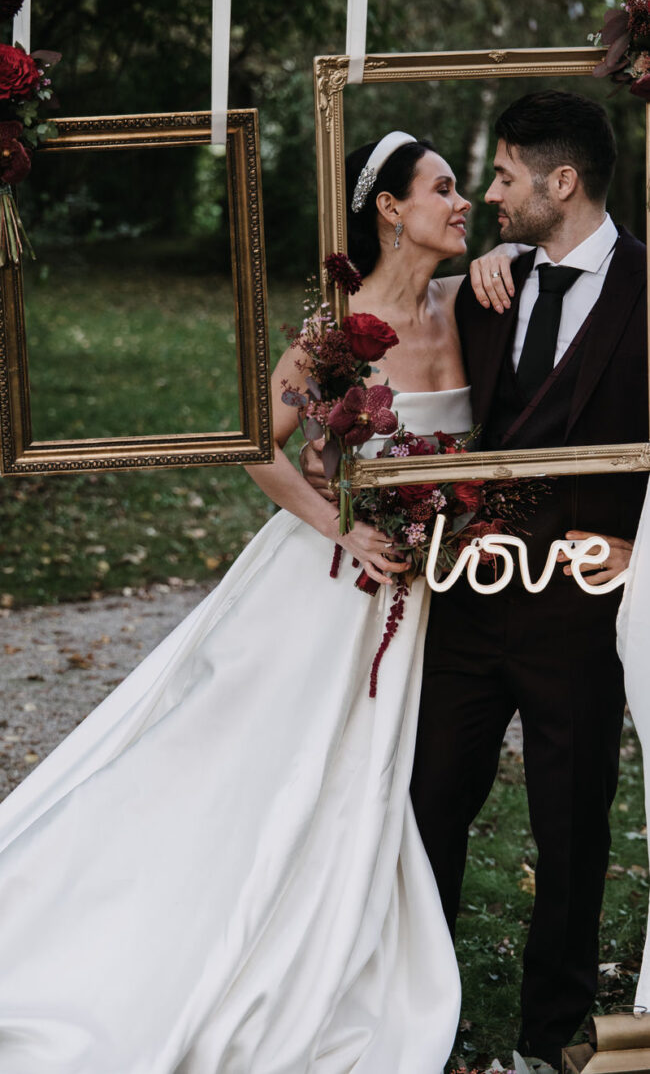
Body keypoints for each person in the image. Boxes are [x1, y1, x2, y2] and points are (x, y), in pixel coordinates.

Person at [0, 131, 498, 1074]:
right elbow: (257, 444)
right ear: (391, 208)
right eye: (443, 187)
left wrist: (511, 252)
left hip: (424, 589)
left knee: (372, 777)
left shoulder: (465, 303)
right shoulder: (339, 327)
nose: (463, 201)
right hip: (329, 583)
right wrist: (340, 526)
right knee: (255, 762)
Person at [409, 91, 648, 1067]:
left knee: (568, 827)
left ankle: (547, 1035)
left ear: (562, 182)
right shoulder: (486, 286)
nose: (488, 195)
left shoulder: (644, 289)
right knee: (426, 810)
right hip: (468, 603)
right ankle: (418, 1010)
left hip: (580, 613)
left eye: (505, 175)